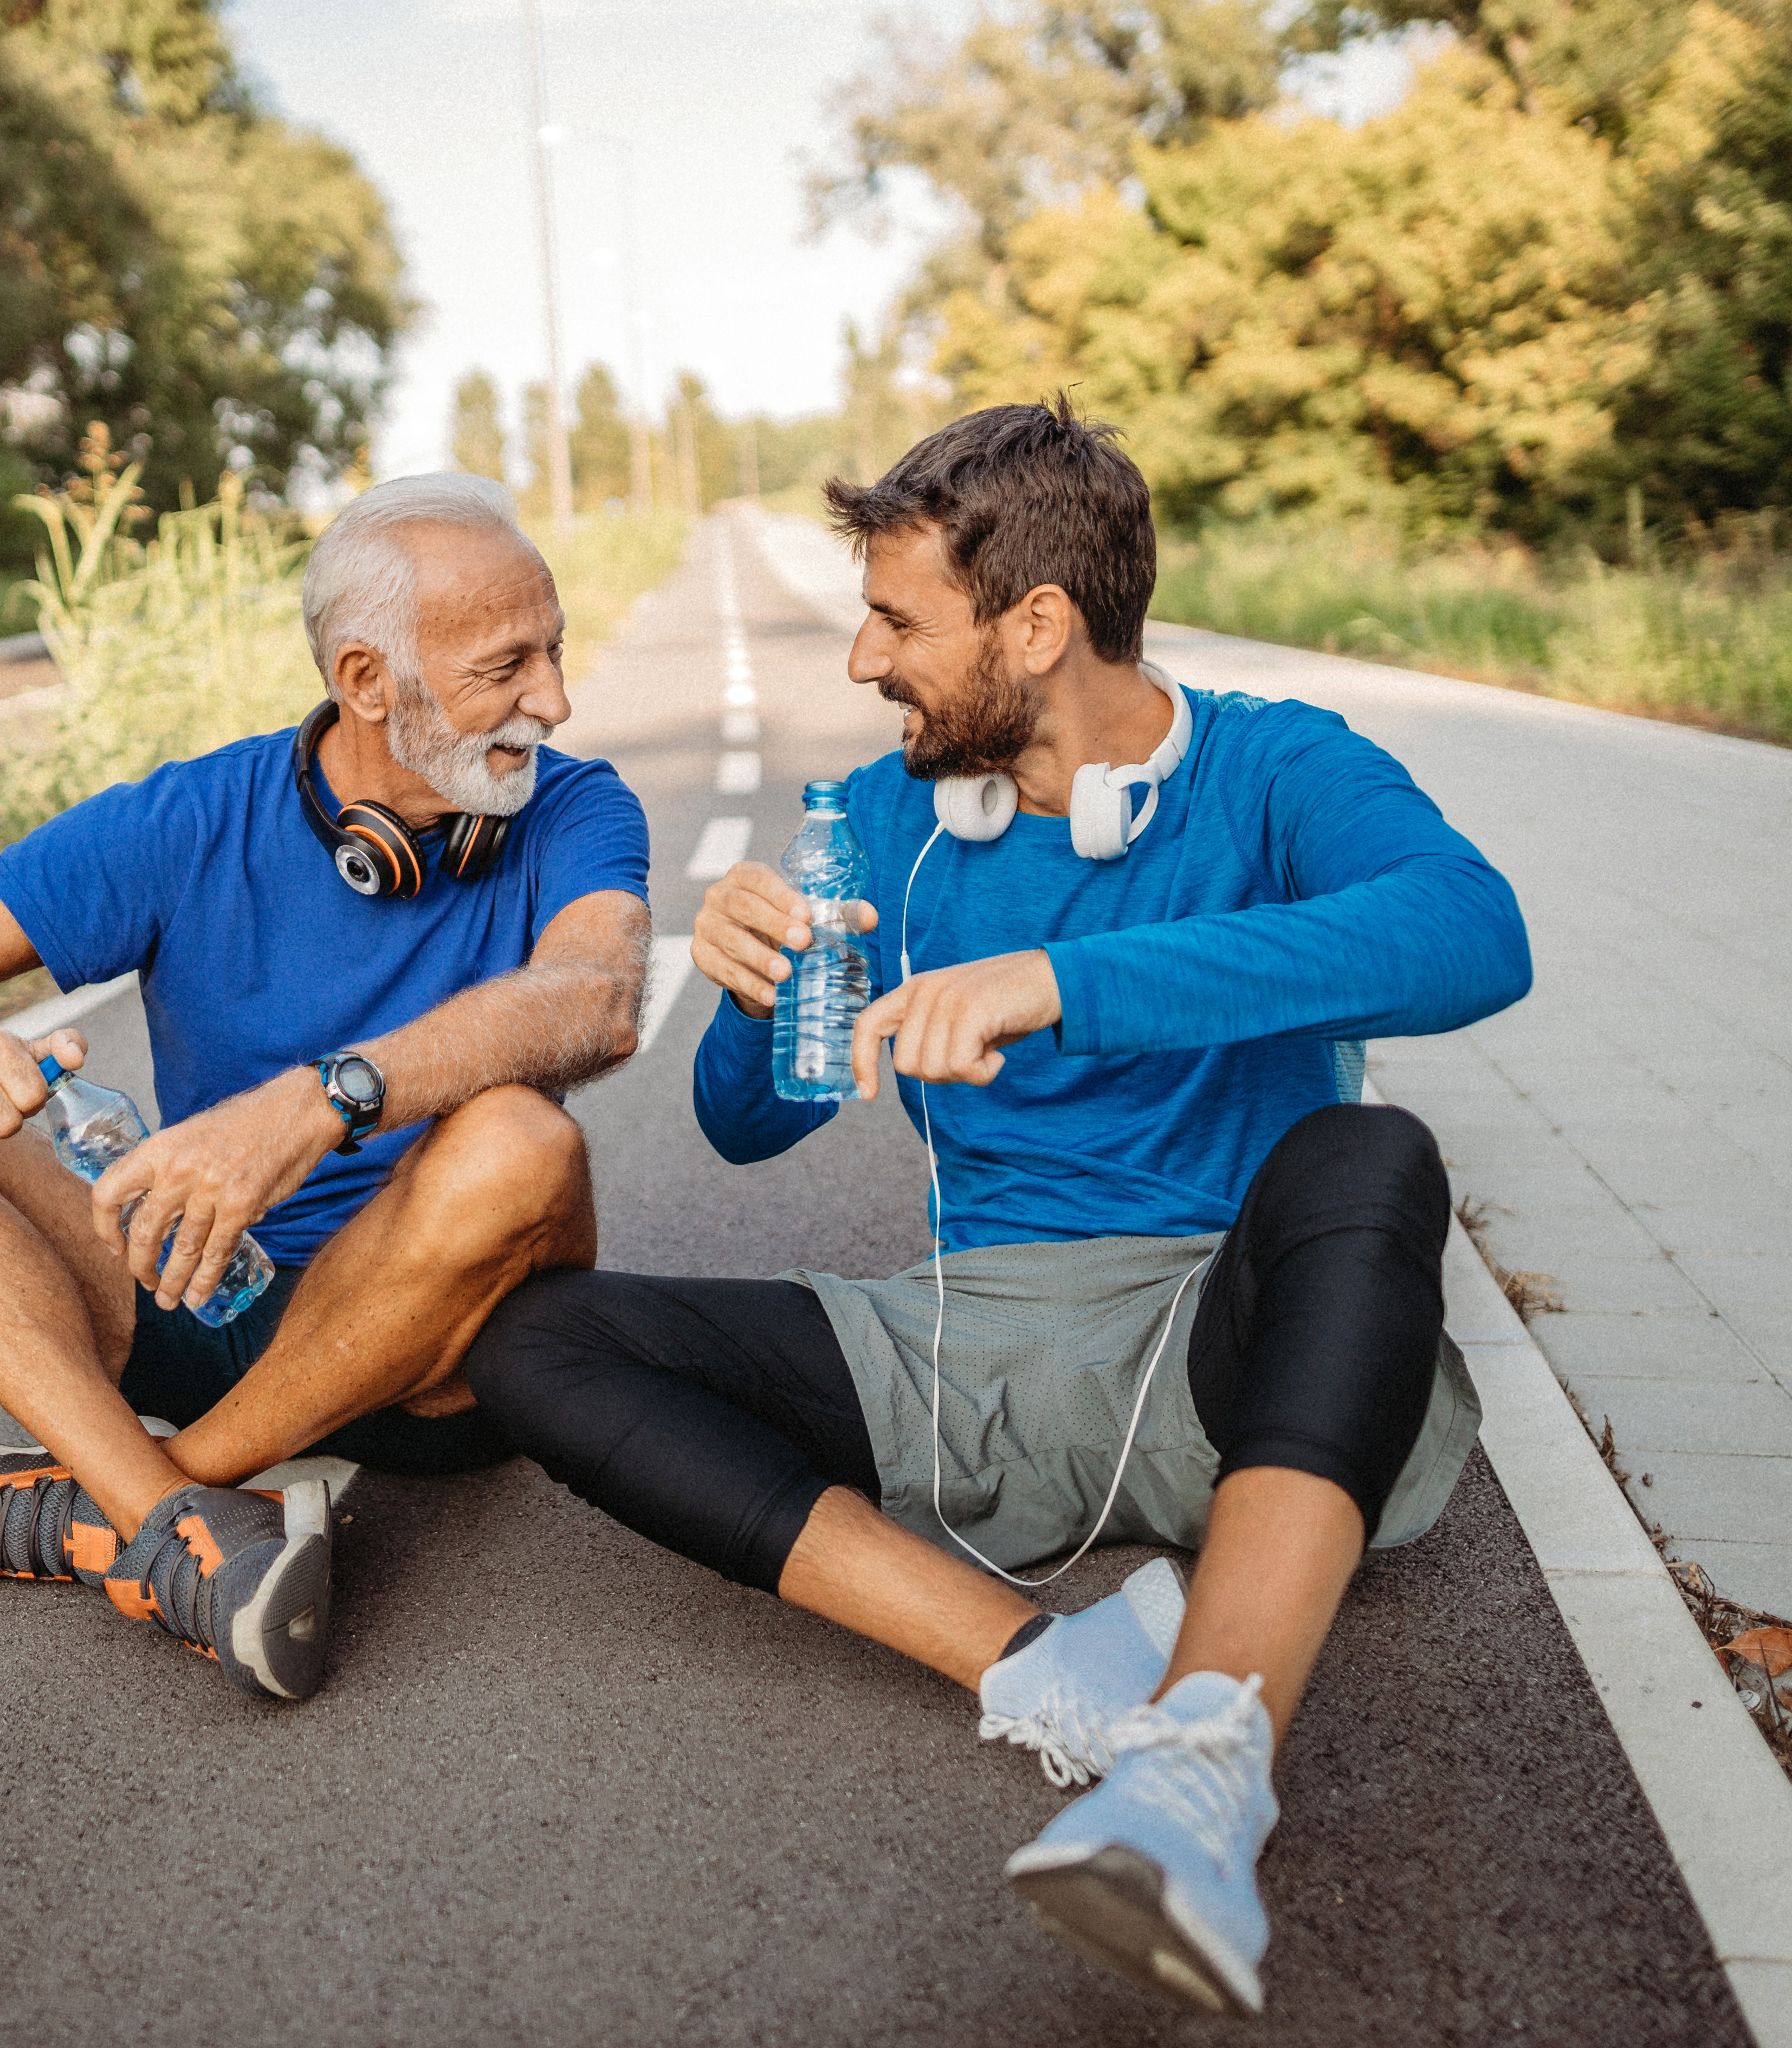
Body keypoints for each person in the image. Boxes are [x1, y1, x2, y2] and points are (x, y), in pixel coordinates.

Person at [461, 403, 1532, 2014]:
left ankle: (1202, 1766)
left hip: (1228, 1342)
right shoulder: (892, 820)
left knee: (1372, 1158)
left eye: (897, 620)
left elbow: (1475, 936)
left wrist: (1060, 981)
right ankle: (1051, 1666)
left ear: (1039, 626)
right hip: (969, 1350)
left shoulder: (1278, 767)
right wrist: (755, 997)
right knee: (547, 1337)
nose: (861, 662)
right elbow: (745, 1130)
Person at [0, 472, 650, 1704]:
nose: (553, 703)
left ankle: (103, 1511)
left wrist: (321, 1099)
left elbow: (595, 997)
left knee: (522, 1140)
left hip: (438, 1360)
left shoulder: (576, 808)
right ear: (365, 682)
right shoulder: (189, 817)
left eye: (552, 654)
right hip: (196, 1293)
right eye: (506, 668)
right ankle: (177, 1528)